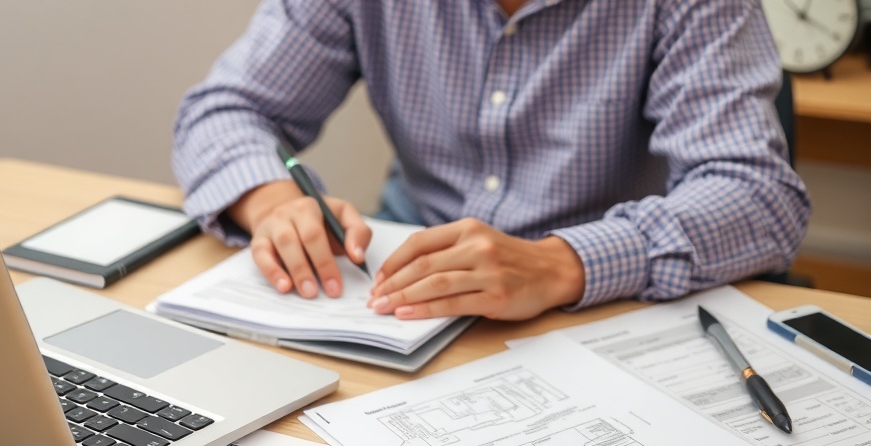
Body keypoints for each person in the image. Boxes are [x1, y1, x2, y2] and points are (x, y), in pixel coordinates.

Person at [171, 0, 809, 322]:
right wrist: (273, 201)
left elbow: (757, 196)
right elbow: (227, 107)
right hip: (401, 301)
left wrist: (561, 263)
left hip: (608, 308)